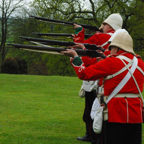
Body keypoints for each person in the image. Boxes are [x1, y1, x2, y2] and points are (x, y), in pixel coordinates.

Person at [62, 31, 144, 144]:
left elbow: (84, 74)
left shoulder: (111, 62)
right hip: (136, 115)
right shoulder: (140, 63)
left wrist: (75, 57)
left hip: (115, 113)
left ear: (116, 47)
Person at [72, 13, 123, 143]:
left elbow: (80, 47)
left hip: (96, 75)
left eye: (105, 24)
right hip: (106, 75)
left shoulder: (103, 36)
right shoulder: (119, 38)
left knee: (91, 108)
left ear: (110, 25)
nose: (102, 26)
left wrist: (79, 33)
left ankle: (92, 135)